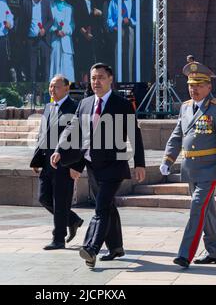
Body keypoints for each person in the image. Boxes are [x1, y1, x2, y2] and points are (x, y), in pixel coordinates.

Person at [50, 63, 146, 268]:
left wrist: (139, 164)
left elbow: (134, 135)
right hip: (92, 165)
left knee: (101, 208)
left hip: (114, 166)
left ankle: (91, 248)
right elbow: (72, 129)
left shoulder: (122, 104)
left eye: (101, 77)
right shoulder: (84, 104)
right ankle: (116, 247)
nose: (96, 82)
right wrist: (59, 149)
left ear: (110, 79)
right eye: (93, 78)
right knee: (108, 207)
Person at [159, 62, 216, 268]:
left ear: (209, 87)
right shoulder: (185, 107)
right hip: (190, 169)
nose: (194, 89)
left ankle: (185, 254)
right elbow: (177, 136)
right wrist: (168, 159)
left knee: (196, 209)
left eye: (199, 85)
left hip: (209, 169)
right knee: (207, 211)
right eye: (191, 85)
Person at [30, 74, 84, 250]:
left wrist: (76, 166)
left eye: (56, 86)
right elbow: (43, 135)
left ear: (67, 88)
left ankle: (58, 239)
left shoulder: (75, 108)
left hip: (65, 163)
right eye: (50, 86)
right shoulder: (48, 107)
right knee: (43, 197)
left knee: (61, 201)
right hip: (47, 162)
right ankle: (73, 220)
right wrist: (37, 159)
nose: (52, 90)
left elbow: (82, 139)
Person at [22, 0, 53, 83]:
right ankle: (32, 86)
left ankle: (46, 87)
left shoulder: (46, 2)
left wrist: (44, 29)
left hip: (44, 40)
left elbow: (51, 20)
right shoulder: (26, 2)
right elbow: (22, 21)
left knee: (45, 68)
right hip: (31, 40)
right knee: (31, 68)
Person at [107, 0, 136, 82]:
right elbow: (109, 18)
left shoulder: (131, 1)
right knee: (118, 58)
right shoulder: (113, 1)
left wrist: (130, 20)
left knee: (129, 58)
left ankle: (129, 81)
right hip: (117, 31)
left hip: (129, 30)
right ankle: (118, 82)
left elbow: (136, 17)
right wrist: (113, 27)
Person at [74, 0, 102, 82]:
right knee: (84, 65)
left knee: (94, 62)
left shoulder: (95, 1)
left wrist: (99, 13)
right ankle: (85, 83)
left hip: (94, 36)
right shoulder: (78, 3)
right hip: (83, 37)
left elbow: (101, 17)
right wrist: (85, 34)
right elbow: (77, 22)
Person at [49, 0, 75, 82]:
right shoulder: (51, 7)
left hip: (66, 41)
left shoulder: (70, 8)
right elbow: (49, 23)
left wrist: (66, 31)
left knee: (67, 67)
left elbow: (72, 24)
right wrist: (56, 30)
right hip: (55, 40)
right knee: (55, 66)